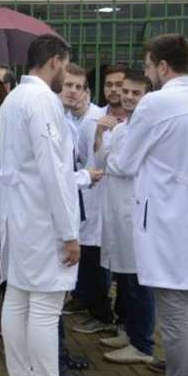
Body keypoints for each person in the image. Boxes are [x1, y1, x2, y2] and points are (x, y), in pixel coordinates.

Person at [113, 34, 188, 376]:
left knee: (175, 309)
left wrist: (115, 144)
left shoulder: (156, 104)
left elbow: (126, 162)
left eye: (149, 67)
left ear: (163, 66)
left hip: (169, 218)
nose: (148, 75)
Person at [0, 34, 80, 376]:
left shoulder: (13, 98)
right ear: (55, 61)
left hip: (18, 214)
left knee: (17, 298)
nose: (67, 75)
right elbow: (54, 171)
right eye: (66, 66)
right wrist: (69, 233)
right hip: (42, 219)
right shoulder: (43, 100)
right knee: (45, 307)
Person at [93, 68, 156, 364]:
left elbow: (125, 167)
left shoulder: (148, 127)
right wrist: (102, 134)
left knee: (138, 281)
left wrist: (114, 161)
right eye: (125, 91)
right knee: (124, 278)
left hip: (136, 211)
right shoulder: (119, 128)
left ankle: (142, 343)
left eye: (135, 93)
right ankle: (128, 330)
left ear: (147, 96)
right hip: (117, 210)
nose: (128, 97)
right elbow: (103, 161)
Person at [58, 65, 114, 336]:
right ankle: (86, 302)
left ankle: (101, 312)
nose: (73, 92)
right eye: (68, 85)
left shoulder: (95, 119)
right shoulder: (64, 119)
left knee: (94, 260)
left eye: (79, 87)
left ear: (87, 92)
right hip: (75, 196)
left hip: (92, 196)